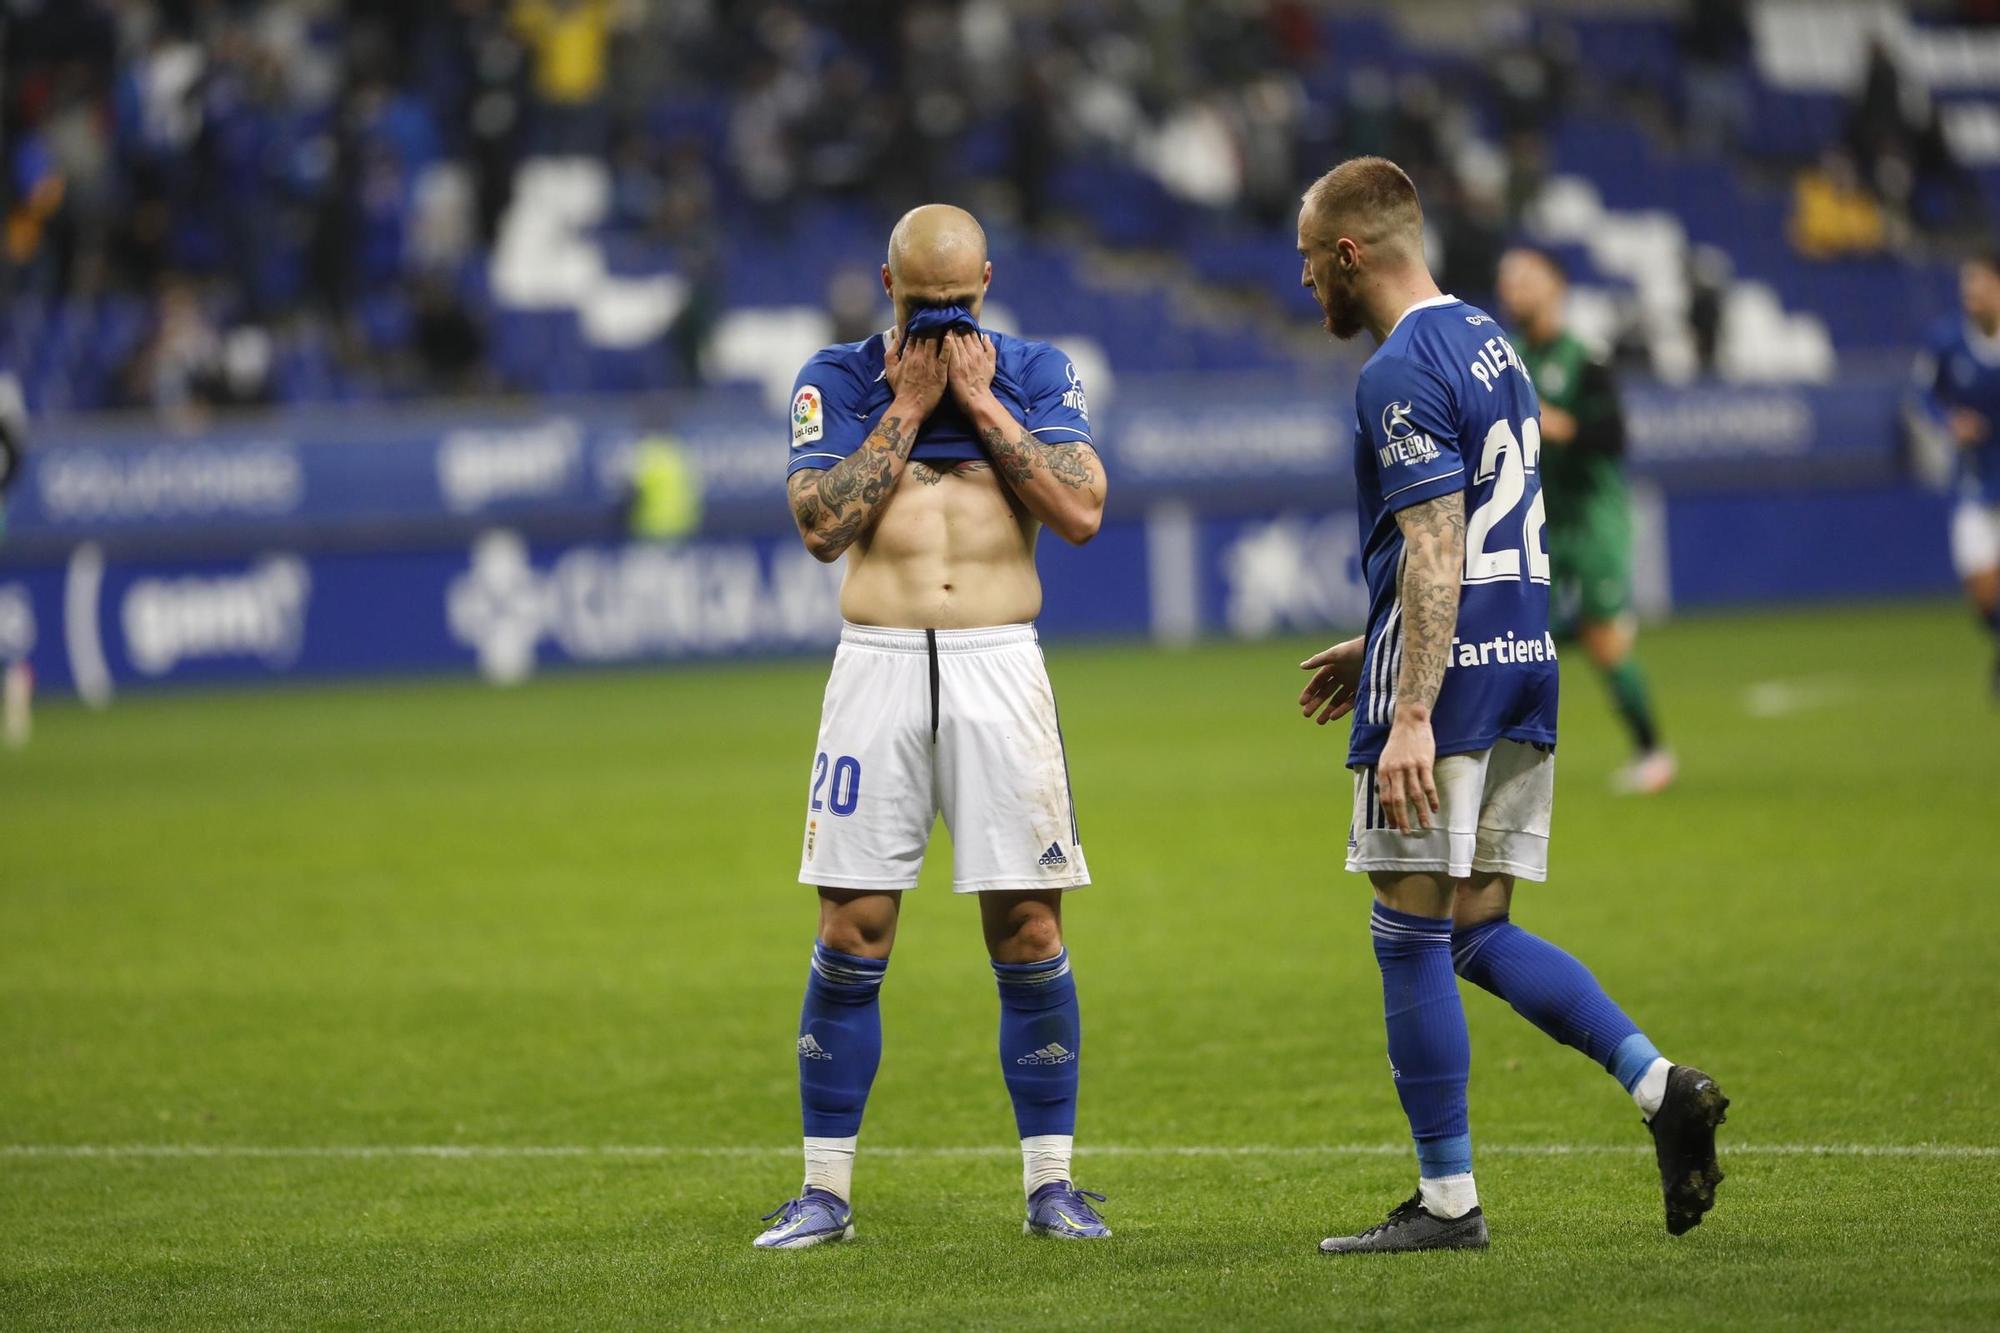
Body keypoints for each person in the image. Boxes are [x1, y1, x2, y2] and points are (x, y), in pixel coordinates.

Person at [1290, 157, 1726, 1254]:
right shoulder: (1492, 341)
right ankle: (1656, 1082)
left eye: (1308, 263)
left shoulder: (1394, 370)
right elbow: (1471, 533)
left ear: (1350, 252)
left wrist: (1407, 709)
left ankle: (1445, 1203)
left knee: (1406, 939)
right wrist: (1377, 631)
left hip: (1450, 681)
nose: (1307, 287)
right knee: (1476, 931)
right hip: (1524, 649)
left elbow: (1437, 543)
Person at [755, 205, 1110, 1249]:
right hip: (876, 666)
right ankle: (824, 1191)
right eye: (920, 307)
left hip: (998, 662)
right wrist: (907, 409)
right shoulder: (837, 375)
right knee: (849, 932)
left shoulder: (1037, 372)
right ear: (885, 285)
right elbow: (821, 526)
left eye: (957, 305)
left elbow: (1083, 513)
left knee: (1030, 930)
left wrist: (981, 404)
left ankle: (1051, 1185)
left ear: (988, 283)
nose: (939, 326)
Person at [1495, 245, 1674, 794]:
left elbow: (1614, 437)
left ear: (1557, 287)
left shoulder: (1586, 358)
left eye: (1525, 276)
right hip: (1538, 521)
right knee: (1519, 636)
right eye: (1507, 280)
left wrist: (1557, 425)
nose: (1513, 288)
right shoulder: (1505, 359)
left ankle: (1653, 753)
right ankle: (1507, 763)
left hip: (1593, 520)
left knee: (1601, 638)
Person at [1911, 253, 2000, 694]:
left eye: (1981, 285)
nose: (1971, 295)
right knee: (1982, 594)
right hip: (1975, 483)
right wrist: (1948, 422)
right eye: (1967, 286)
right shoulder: (1946, 343)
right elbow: (1921, 395)